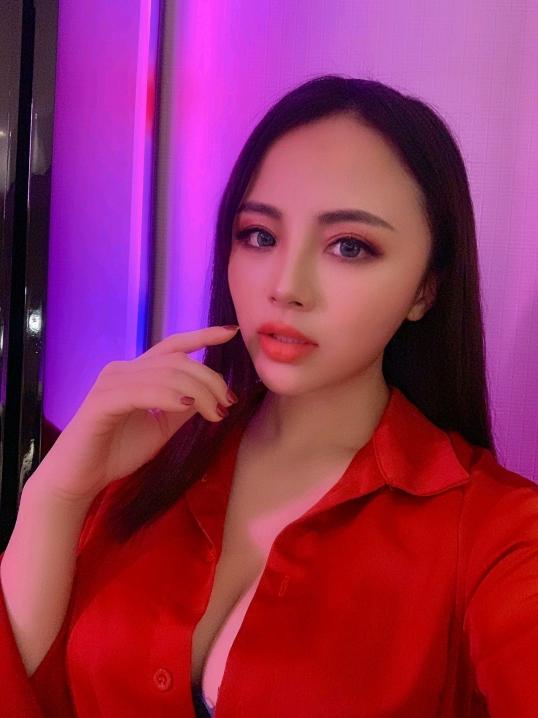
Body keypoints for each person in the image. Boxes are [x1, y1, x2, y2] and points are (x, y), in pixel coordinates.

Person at [1, 74, 537, 717]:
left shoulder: (495, 532)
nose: (286, 286)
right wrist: (59, 494)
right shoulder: (152, 458)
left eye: (349, 246)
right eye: (259, 235)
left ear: (425, 289)